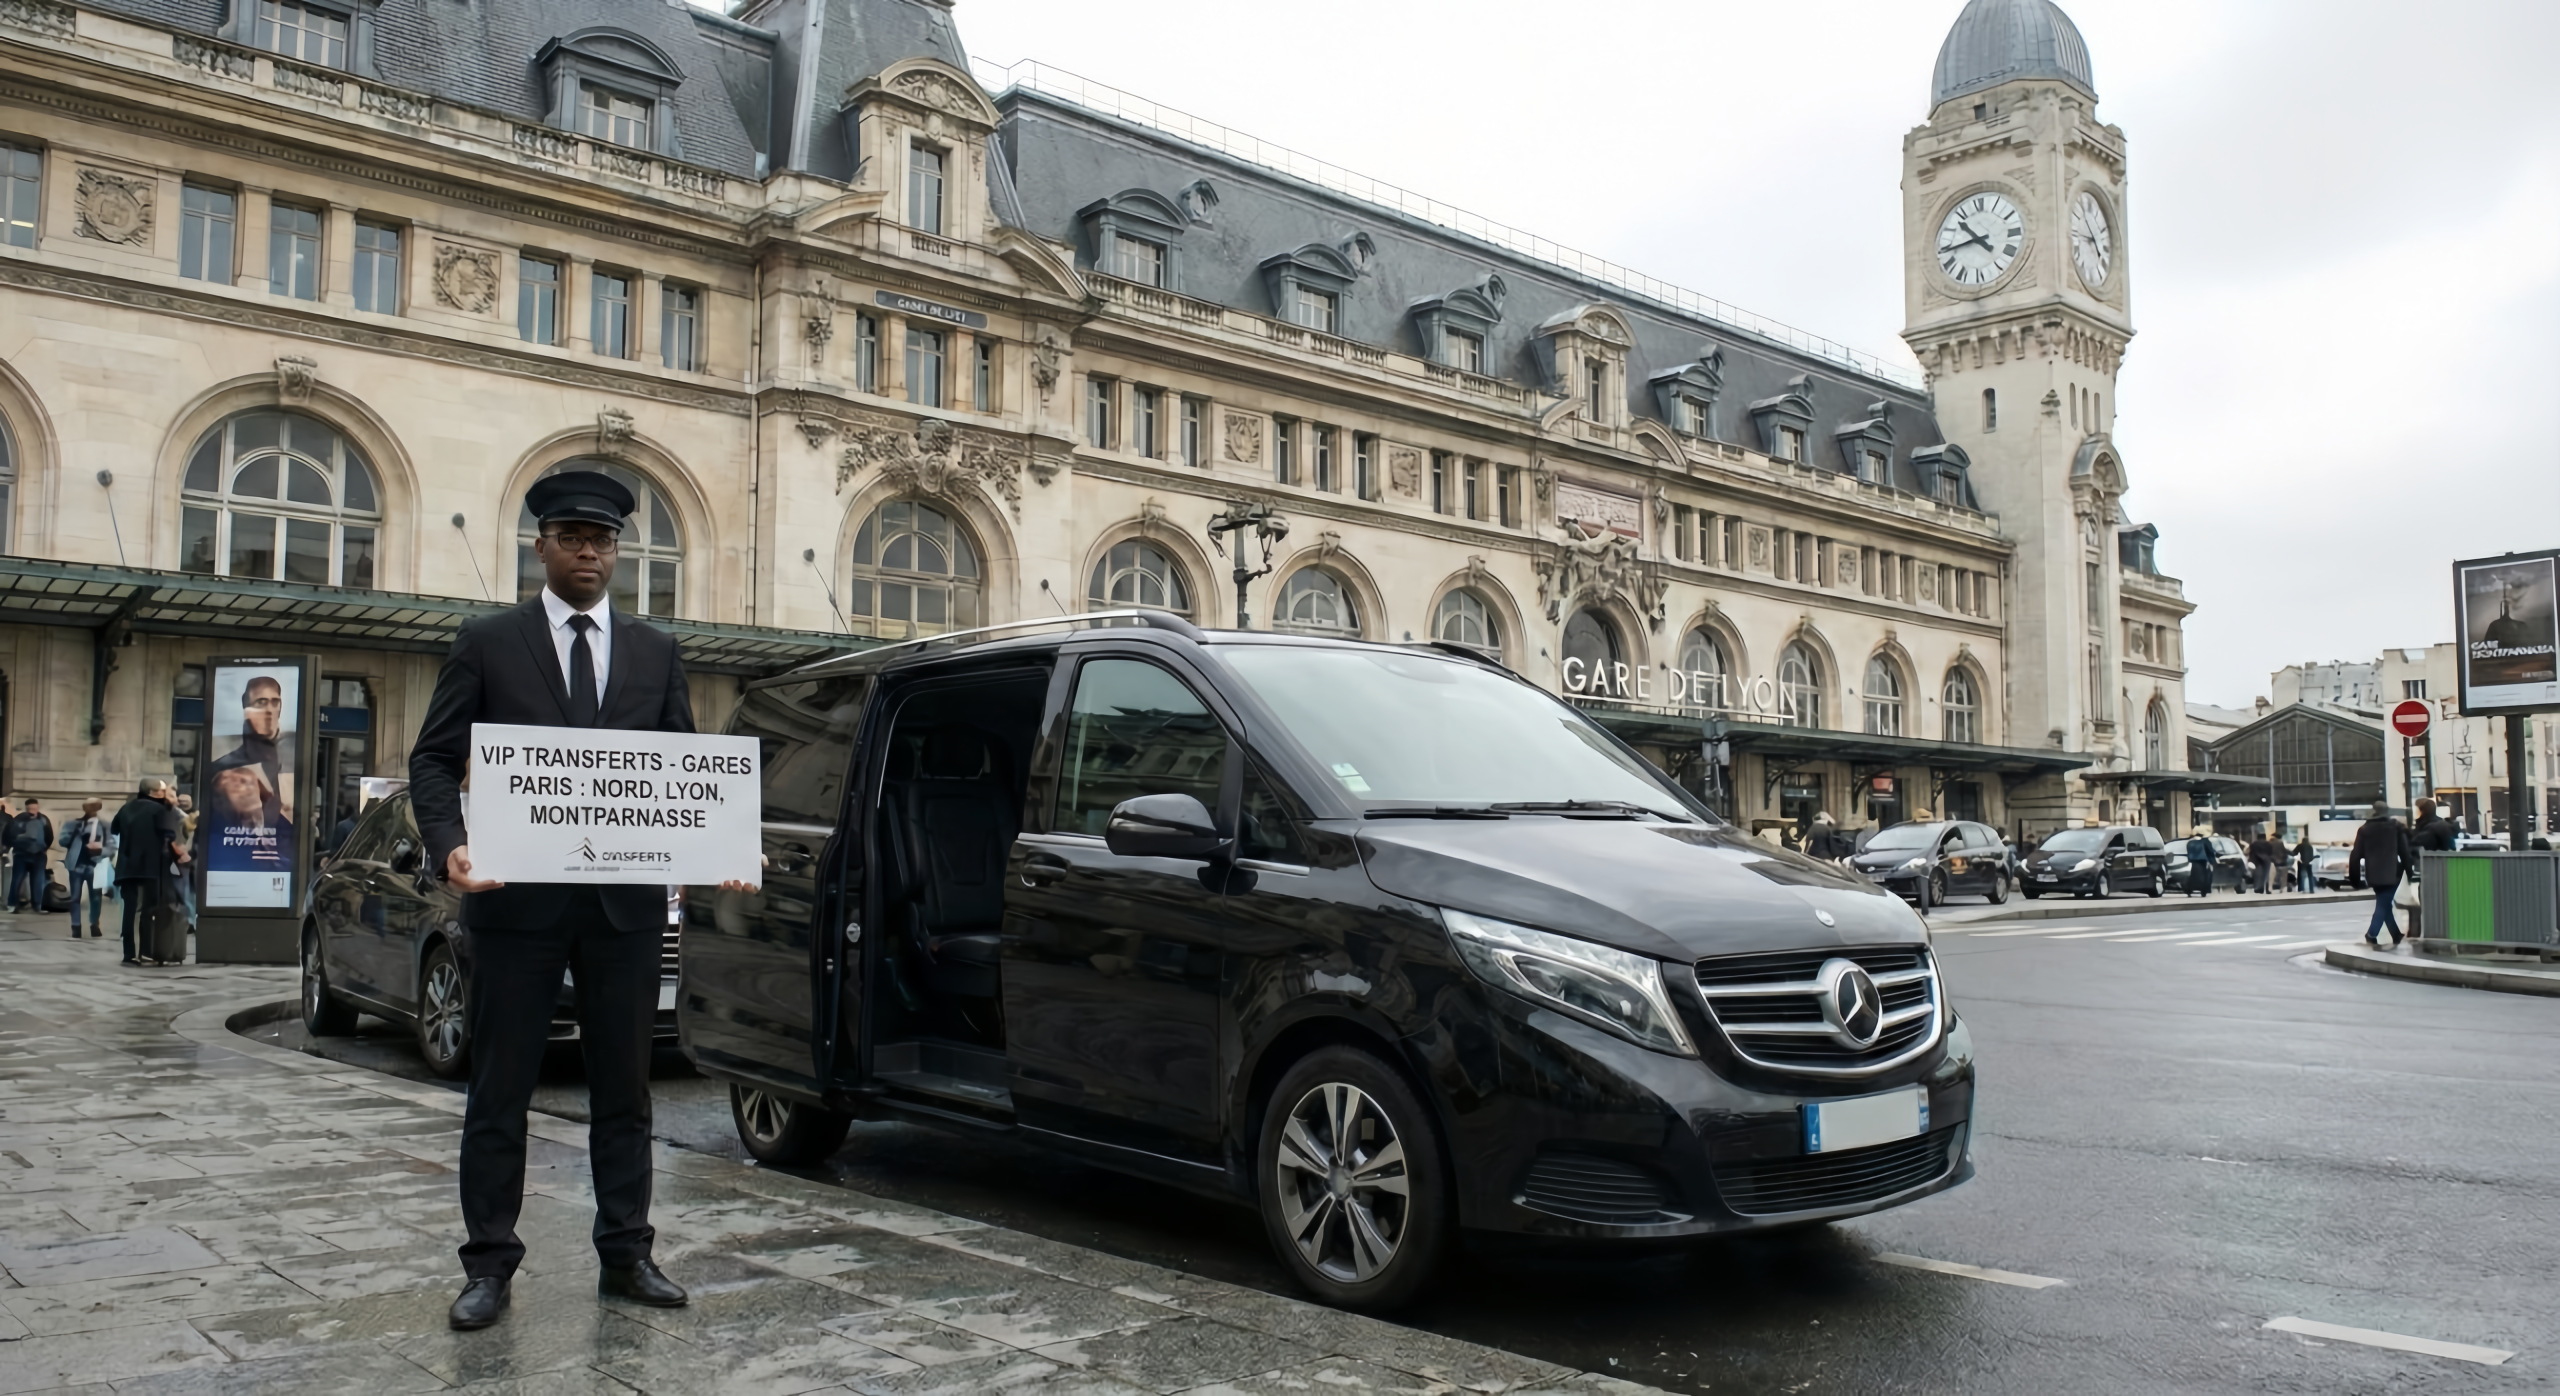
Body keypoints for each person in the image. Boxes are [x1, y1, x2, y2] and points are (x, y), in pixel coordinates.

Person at [411, 471, 752, 1333]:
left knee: (625, 1094)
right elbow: (432, 759)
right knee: (499, 1091)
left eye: (602, 541)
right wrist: (448, 842)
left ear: (618, 552)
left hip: (623, 914)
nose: (589, 552)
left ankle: (628, 1254)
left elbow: (681, 769)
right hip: (514, 908)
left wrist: (720, 848)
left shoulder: (655, 650)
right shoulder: (487, 641)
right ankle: (488, 1265)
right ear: (543, 547)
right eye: (572, 537)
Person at [109, 780, 186, 965]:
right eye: (161, 790)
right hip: (150, 867)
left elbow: (114, 829)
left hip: (127, 867)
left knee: (129, 911)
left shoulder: (126, 808)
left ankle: (129, 954)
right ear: (154, 792)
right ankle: (146, 952)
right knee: (148, 910)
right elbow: (169, 835)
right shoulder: (160, 811)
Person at [2346, 800, 2413, 948]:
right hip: (2393, 871)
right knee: (2383, 903)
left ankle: (2395, 933)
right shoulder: (2395, 827)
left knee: (2384, 902)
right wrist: (2410, 871)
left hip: (2373, 872)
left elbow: (2356, 855)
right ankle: (2372, 933)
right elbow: (2404, 851)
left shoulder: (2365, 829)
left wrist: (2355, 878)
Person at [60, 799, 111, 938]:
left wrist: (100, 851)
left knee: (95, 897)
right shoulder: (73, 824)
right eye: (89, 808)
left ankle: (94, 924)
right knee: (75, 897)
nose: (91, 811)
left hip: (96, 865)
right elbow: (62, 841)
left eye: (94, 808)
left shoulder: (105, 825)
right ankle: (76, 926)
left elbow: (111, 846)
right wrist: (75, 833)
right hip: (77, 865)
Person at [5, 798, 54, 912]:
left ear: (38, 808)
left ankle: (37, 905)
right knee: (17, 880)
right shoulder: (18, 819)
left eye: (35, 808)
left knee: (37, 881)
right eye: (30, 809)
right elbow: (8, 834)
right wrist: (13, 846)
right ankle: (12, 904)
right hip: (21, 854)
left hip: (39, 855)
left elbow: (49, 836)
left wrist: (43, 848)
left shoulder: (44, 819)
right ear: (26, 808)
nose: (33, 811)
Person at [2184, 828, 2216, 897]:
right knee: (2204, 876)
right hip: (2203, 861)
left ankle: (2189, 890)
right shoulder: (2205, 841)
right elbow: (2210, 851)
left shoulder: (2190, 842)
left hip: (2193, 861)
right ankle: (2203, 890)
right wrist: (2212, 861)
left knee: (2193, 876)